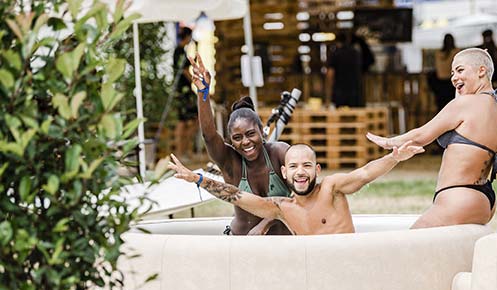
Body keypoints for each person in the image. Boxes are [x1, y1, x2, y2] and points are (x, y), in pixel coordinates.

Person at [367, 48, 497, 229]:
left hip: (459, 198)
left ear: (481, 71)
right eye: (452, 73)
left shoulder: (466, 104)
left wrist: (389, 142)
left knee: (410, 241)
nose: (454, 78)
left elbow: (421, 136)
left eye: (460, 70)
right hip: (484, 199)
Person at [168, 141, 424, 235]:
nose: (300, 171)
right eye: (293, 166)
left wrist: (394, 158)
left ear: (317, 170)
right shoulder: (282, 208)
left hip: (348, 265)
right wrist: (198, 179)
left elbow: (365, 173)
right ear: (284, 172)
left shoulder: (331, 188)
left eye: (306, 166)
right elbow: (237, 196)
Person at [186, 50, 292, 235]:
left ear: (262, 132)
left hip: (283, 243)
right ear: (230, 141)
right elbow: (209, 135)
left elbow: (302, 196)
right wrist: (203, 92)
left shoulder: (279, 153)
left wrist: (265, 224)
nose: (245, 142)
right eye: (237, 137)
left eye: (251, 134)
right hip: (241, 243)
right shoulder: (230, 161)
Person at [326, 31, 372, 108]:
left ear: (337, 42)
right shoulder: (356, 53)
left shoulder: (335, 54)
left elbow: (330, 73)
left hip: (340, 93)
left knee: (342, 114)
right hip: (356, 93)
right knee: (356, 113)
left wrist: (328, 94)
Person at [172, 27, 198, 160]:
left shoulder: (181, 51)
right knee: (184, 121)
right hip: (183, 91)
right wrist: (195, 82)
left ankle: (185, 151)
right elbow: (184, 70)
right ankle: (181, 151)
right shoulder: (179, 51)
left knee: (189, 120)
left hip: (185, 91)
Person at [431, 34, 460, 112]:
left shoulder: (438, 53)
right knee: (453, 108)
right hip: (451, 84)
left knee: (442, 108)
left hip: (439, 84)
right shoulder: (456, 52)